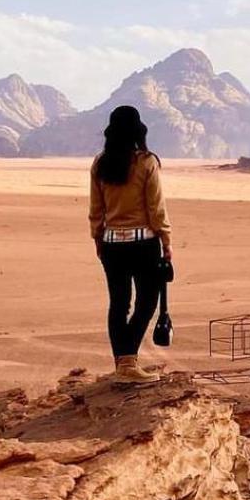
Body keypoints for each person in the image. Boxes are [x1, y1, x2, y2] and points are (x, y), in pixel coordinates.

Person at [89, 105, 173, 380]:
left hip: (112, 244)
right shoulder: (147, 162)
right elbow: (156, 209)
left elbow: (96, 208)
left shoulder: (100, 163)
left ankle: (122, 363)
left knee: (119, 303)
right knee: (147, 302)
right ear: (138, 131)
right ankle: (128, 364)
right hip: (143, 243)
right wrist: (166, 240)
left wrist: (98, 238)